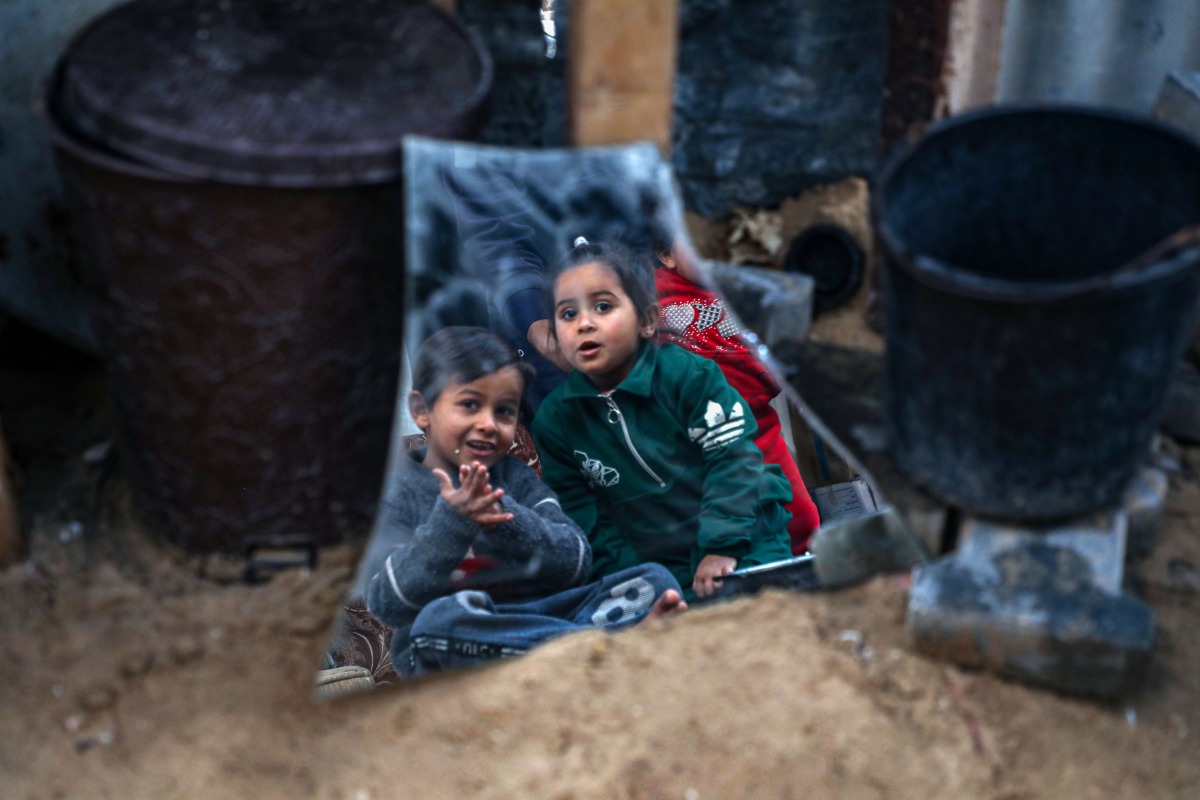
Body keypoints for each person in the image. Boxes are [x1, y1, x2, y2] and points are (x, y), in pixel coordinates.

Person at [359, 326, 686, 679]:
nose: (488, 424)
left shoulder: (515, 477)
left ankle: (570, 647)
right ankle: (595, 648)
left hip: (544, 619)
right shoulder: (398, 491)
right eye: (470, 404)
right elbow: (386, 602)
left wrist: (505, 518)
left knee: (654, 580)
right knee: (437, 623)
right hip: (457, 640)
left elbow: (575, 561)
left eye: (504, 411)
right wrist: (453, 521)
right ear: (422, 410)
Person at [532, 240, 794, 602]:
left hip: (746, 534)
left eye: (603, 306)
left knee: (760, 614)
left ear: (647, 321)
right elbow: (584, 515)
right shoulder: (556, 420)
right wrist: (638, 580)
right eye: (567, 314)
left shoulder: (689, 375)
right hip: (657, 563)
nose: (584, 324)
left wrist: (723, 547)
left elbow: (734, 460)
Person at [655, 245, 821, 554]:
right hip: (695, 442)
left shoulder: (752, 287)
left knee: (801, 521)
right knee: (727, 531)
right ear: (667, 256)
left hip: (760, 427)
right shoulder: (652, 297)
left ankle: (806, 572)